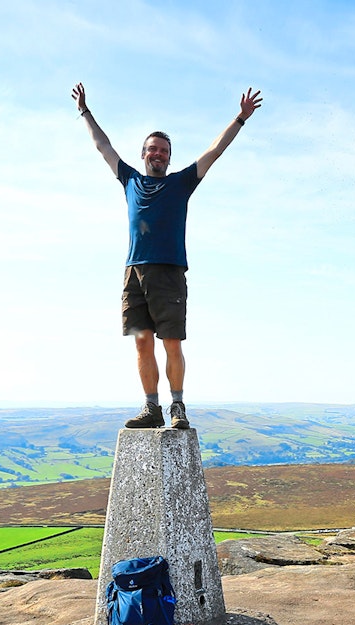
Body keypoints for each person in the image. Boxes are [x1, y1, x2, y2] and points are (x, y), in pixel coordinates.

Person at [72, 82, 263, 429]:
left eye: (163, 151)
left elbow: (214, 151)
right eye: (152, 149)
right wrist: (85, 111)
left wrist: (240, 118)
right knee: (142, 343)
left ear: (169, 158)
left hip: (169, 272)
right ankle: (151, 408)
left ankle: (177, 407)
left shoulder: (180, 183)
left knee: (171, 343)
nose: (157, 154)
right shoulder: (130, 180)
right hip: (133, 273)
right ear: (143, 154)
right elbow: (103, 146)